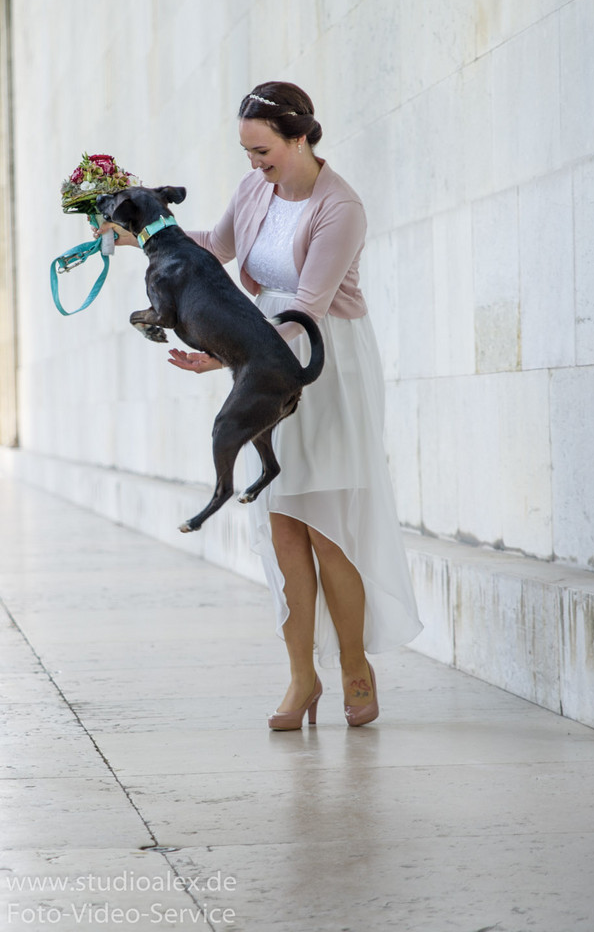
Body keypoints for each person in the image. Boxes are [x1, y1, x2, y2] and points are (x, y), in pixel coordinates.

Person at [112, 81, 422, 729]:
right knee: (282, 526)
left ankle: (354, 670)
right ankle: (300, 678)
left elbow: (307, 307)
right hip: (256, 349)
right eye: (248, 153)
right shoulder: (256, 188)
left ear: (301, 136)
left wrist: (227, 356)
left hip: (319, 358)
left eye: (263, 151)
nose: (255, 164)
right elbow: (216, 247)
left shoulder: (342, 209)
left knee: (326, 528)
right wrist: (130, 233)